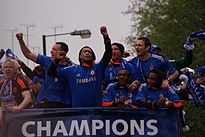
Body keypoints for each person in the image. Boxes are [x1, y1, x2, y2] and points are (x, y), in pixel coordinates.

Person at [48, 26, 112, 107]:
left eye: (89, 52)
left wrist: (106, 36)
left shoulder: (98, 68)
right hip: (77, 114)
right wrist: (56, 60)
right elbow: (51, 73)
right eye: (85, 51)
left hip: (96, 112)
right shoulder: (71, 70)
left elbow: (108, 53)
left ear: (93, 57)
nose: (87, 53)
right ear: (80, 56)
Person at [16, 33, 75, 108]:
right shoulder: (47, 60)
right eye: (52, 49)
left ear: (62, 53)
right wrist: (20, 40)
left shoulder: (71, 67)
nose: (51, 51)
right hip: (48, 102)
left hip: (64, 104)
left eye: (54, 50)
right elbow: (28, 54)